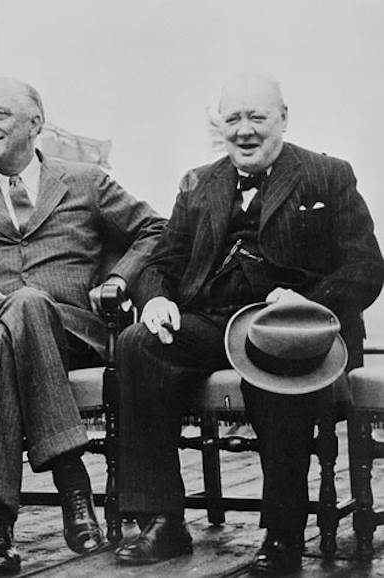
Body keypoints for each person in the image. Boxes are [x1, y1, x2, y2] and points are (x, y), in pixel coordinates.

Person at [115, 71, 384, 574]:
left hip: (295, 327)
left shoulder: (328, 175)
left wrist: (305, 300)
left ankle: (282, 536)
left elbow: (366, 267)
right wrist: (154, 300)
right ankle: (163, 522)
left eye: (257, 117)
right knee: (139, 342)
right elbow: (160, 263)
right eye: (233, 118)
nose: (244, 130)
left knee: (279, 356)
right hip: (213, 322)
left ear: (284, 118)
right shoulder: (198, 182)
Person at [0, 77, 165, 572]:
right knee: (8, 329)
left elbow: (155, 230)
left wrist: (118, 280)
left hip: (74, 334)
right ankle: (71, 477)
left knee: (23, 308)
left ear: (35, 124)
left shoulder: (87, 181)